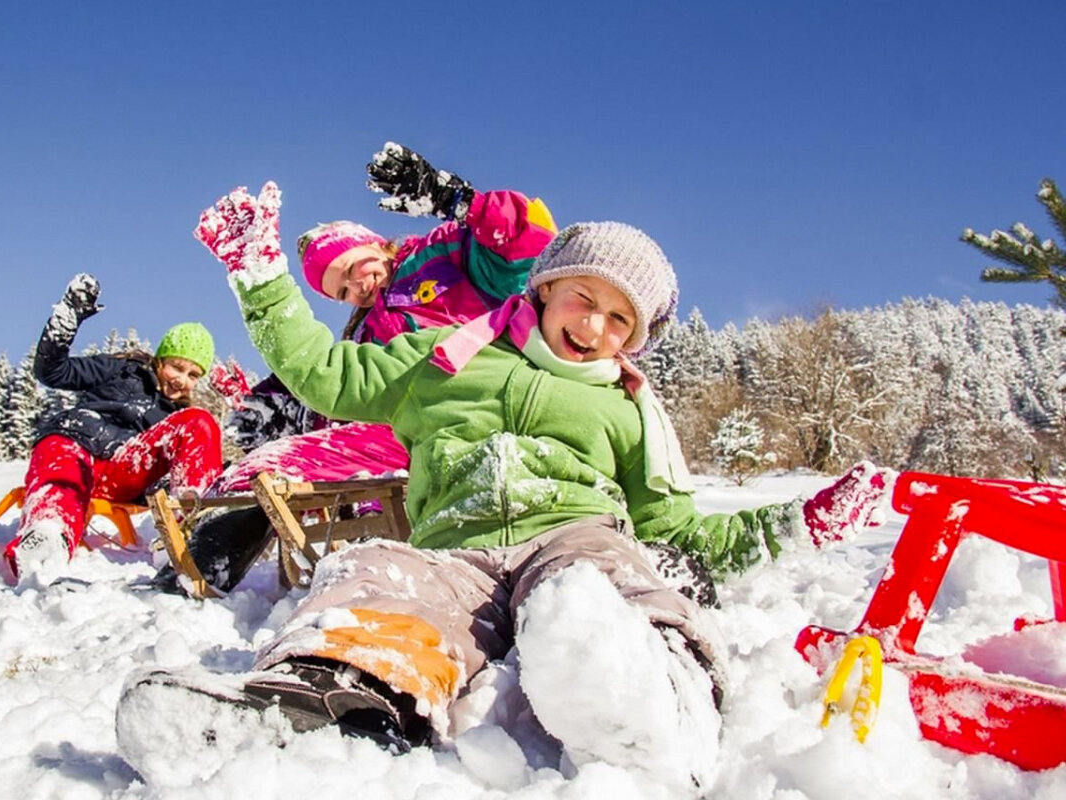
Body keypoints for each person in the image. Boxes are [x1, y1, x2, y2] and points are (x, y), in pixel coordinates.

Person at [116, 188, 894, 788]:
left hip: (575, 532)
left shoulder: (626, 405)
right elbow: (325, 373)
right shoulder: (448, 355)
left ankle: (653, 700)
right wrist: (262, 276)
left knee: (605, 581)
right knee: (376, 574)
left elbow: (677, 528)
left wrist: (802, 523)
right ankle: (312, 702)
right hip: (457, 545)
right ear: (548, 289)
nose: (594, 327)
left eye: (620, 319)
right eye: (584, 298)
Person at [203, 141, 557, 454]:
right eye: (342, 292)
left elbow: (533, 248)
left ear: (373, 243)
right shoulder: (364, 335)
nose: (357, 288)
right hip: (419, 437)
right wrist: (275, 401)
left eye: (351, 268)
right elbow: (337, 379)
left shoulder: (441, 252)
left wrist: (459, 202)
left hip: (493, 400)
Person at [3, 274, 223, 584]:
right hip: (74, 444)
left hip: (123, 468)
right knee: (63, 474)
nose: (182, 380)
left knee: (201, 421)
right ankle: (47, 537)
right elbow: (52, 372)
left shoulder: (178, 417)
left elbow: (176, 470)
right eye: (177, 366)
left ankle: (185, 534)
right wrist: (67, 319)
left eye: (193, 374)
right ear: (159, 359)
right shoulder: (122, 369)